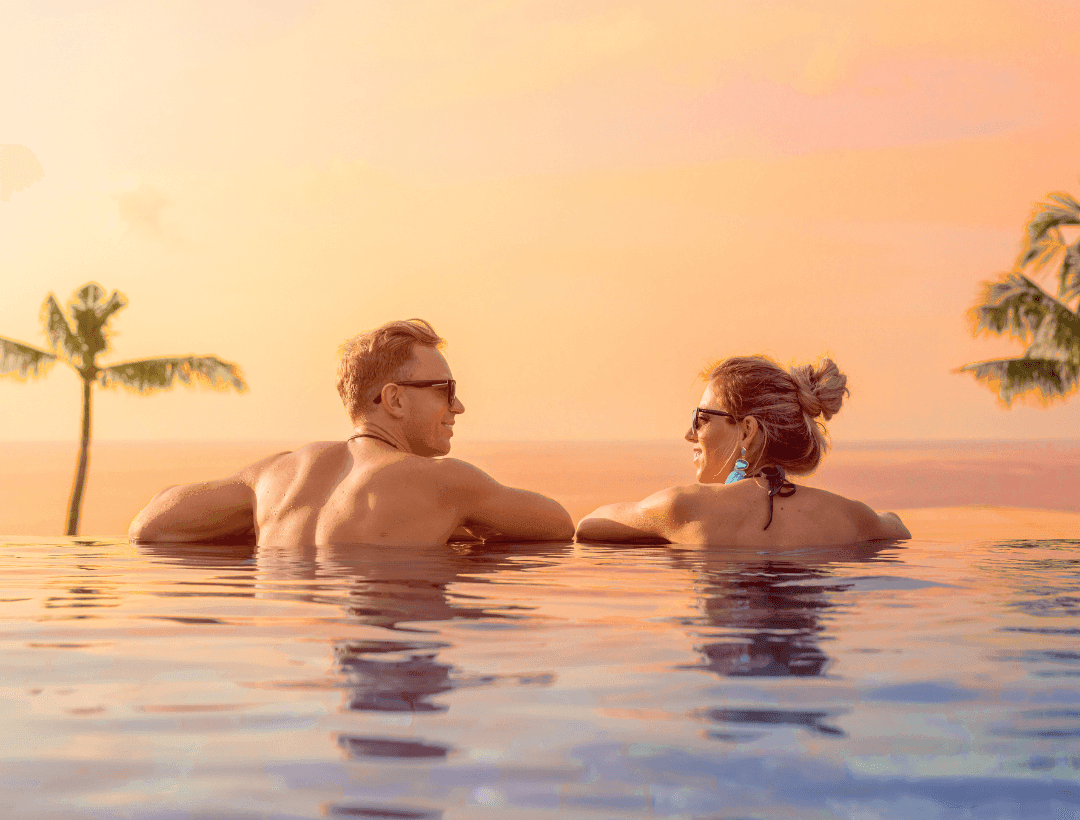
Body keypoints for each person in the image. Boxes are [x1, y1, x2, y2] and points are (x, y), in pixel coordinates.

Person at [129, 319, 574, 547]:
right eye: (445, 389)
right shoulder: (445, 482)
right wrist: (462, 520)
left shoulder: (274, 476)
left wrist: (255, 523)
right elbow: (558, 525)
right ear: (394, 400)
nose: (457, 405)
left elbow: (149, 526)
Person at [576, 355, 910, 549]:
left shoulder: (683, 509)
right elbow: (896, 527)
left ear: (747, 431)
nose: (689, 433)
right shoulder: (851, 517)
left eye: (701, 419)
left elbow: (588, 526)